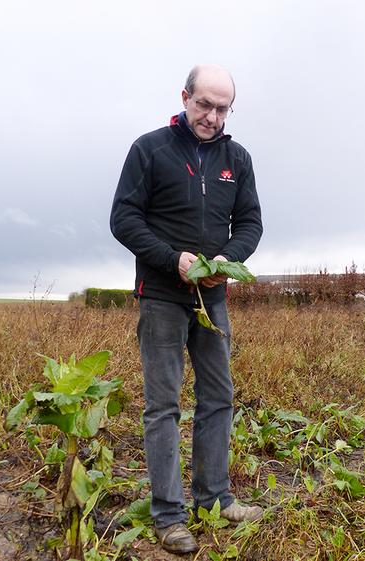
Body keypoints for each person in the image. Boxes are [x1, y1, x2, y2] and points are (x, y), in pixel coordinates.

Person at [110, 64, 263, 554]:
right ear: (185, 97)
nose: (212, 117)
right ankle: (169, 516)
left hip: (212, 298)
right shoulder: (149, 150)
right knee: (164, 406)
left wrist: (227, 258)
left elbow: (251, 223)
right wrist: (169, 259)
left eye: (222, 109)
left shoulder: (236, 159)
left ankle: (213, 500)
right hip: (161, 296)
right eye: (204, 105)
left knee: (219, 397)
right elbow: (124, 218)